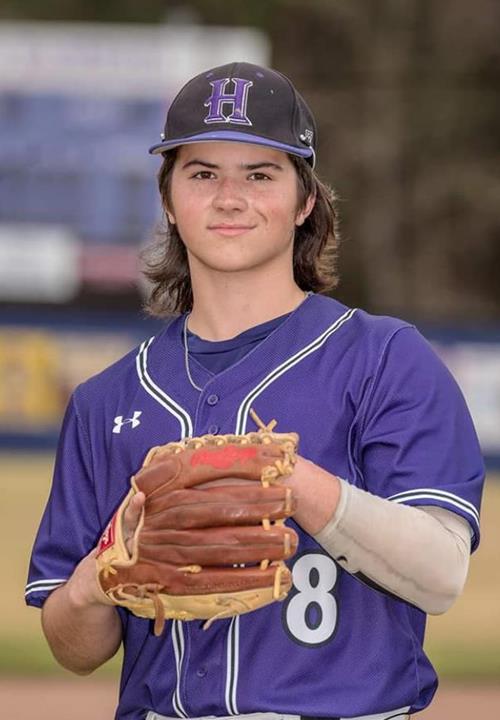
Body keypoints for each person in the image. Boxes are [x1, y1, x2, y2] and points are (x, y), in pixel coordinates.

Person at [26, 62, 485, 720]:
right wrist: (103, 579)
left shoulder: (386, 359)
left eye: (260, 174)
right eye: (203, 173)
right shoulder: (107, 400)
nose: (229, 197)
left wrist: (292, 485)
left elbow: (441, 575)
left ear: (304, 202)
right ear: (169, 199)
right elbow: (73, 647)